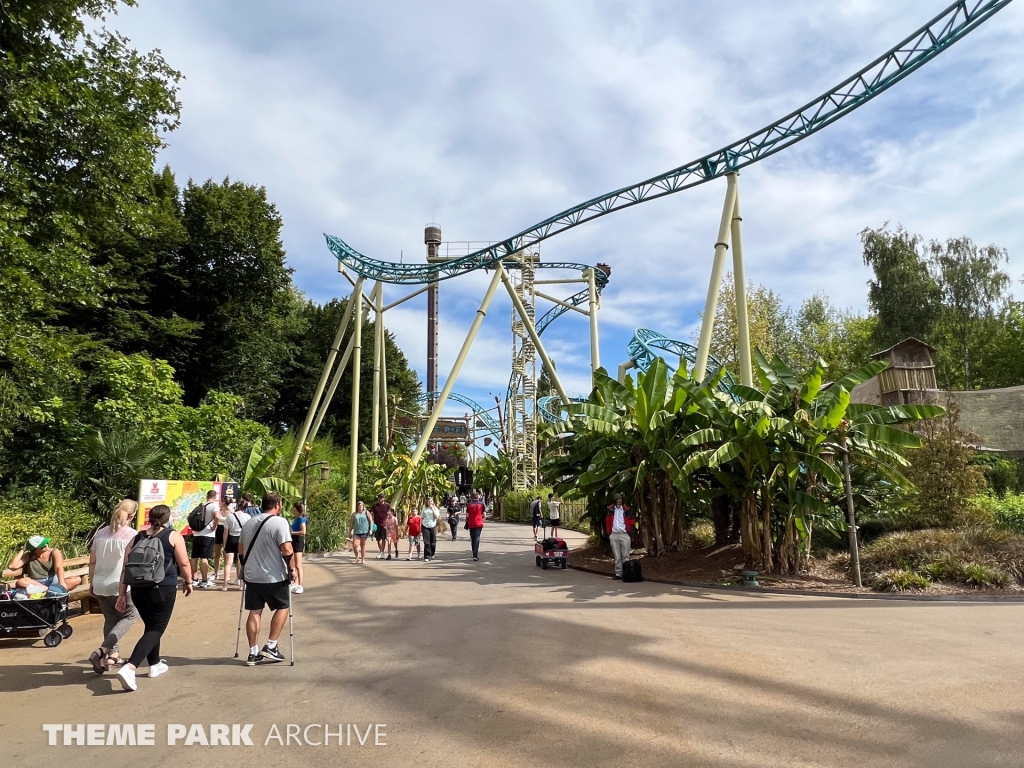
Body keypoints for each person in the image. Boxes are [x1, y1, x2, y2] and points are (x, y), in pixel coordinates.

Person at [115, 504, 193, 692]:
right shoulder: (173, 536)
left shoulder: (137, 537)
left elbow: (126, 567)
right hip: (162, 588)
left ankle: (154, 664)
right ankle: (131, 666)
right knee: (156, 629)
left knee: (151, 626)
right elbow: (183, 562)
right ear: (168, 518)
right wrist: (189, 581)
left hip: (138, 590)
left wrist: (122, 593)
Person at [238, 492, 295, 667]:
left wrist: (245, 568)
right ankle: (271, 645)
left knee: (254, 611)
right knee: (283, 607)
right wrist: (292, 569)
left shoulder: (249, 522)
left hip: (252, 575)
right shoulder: (280, 522)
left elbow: (240, 549)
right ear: (277, 505)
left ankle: (253, 652)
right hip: (273, 575)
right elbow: (286, 549)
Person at [87, 500, 140, 674]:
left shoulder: (101, 534)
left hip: (100, 583)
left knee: (110, 619)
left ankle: (113, 655)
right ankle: (103, 650)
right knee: (130, 616)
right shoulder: (132, 535)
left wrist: (92, 582)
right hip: (120, 584)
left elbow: (92, 562)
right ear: (132, 516)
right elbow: (129, 565)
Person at [8, 536, 81, 593]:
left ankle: (50, 590)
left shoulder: (54, 552)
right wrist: (23, 550)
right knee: (21, 582)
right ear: (35, 549)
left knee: (76, 579)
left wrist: (61, 582)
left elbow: (59, 568)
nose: (46, 545)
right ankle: (50, 591)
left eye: (46, 543)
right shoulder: (29, 555)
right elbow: (12, 566)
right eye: (42, 546)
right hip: (36, 583)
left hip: (54, 581)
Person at [190, 490, 221, 588]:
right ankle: (204, 580)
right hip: (208, 534)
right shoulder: (214, 506)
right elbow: (217, 516)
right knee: (204, 558)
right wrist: (214, 526)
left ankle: (194, 579)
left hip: (196, 534)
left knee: (194, 557)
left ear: (207, 496)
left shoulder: (201, 505)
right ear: (215, 497)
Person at [605, 494, 638, 580]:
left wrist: (632, 534)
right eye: (618, 499)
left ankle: (626, 573)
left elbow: (632, 522)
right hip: (614, 534)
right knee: (617, 556)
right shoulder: (610, 509)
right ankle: (618, 573)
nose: (619, 500)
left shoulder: (627, 509)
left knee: (626, 556)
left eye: (620, 499)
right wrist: (609, 533)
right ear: (615, 500)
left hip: (624, 534)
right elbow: (607, 521)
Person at [220, 501, 245, 591]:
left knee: (228, 563)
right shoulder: (247, 517)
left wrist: (225, 543)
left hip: (231, 539)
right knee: (241, 561)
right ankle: (241, 585)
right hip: (241, 540)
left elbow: (225, 532)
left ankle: (225, 585)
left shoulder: (230, 516)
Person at [290, 502, 307, 594]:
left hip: (299, 541)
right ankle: (295, 583)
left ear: (296, 509)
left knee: (298, 564)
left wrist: (292, 533)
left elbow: (303, 531)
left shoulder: (302, 519)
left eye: (293, 508)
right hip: (293, 540)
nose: (292, 510)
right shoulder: (296, 519)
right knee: (294, 563)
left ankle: (300, 585)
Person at [370, 493, 391, 560]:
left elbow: (390, 513)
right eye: (379, 497)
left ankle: (382, 552)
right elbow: (371, 513)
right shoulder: (374, 505)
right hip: (376, 525)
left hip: (384, 524)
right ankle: (382, 552)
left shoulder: (387, 505)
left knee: (383, 538)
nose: (380, 498)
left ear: (384, 498)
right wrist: (372, 522)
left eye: (381, 497)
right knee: (378, 539)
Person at [466, 492, 485, 561]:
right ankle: (475, 554)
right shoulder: (481, 504)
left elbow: (467, 516)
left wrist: (468, 520)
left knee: (472, 538)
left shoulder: (469, 505)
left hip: (471, 523)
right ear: (478, 497)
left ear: (472, 497)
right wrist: (480, 518)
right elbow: (484, 515)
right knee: (477, 538)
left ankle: (473, 552)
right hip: (479, 523)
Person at [421, 497, 440, 562]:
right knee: (426, 542)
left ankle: (432, 553)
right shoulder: (424, 508)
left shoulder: (435, 508)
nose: (430, 502)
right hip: (425, 525)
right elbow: (422, 517)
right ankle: (427, 556)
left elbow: (436, 517)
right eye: (428, 501)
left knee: (433, 542)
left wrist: (433, 509)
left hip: (432, 525)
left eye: (431, 501)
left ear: (433, 502)